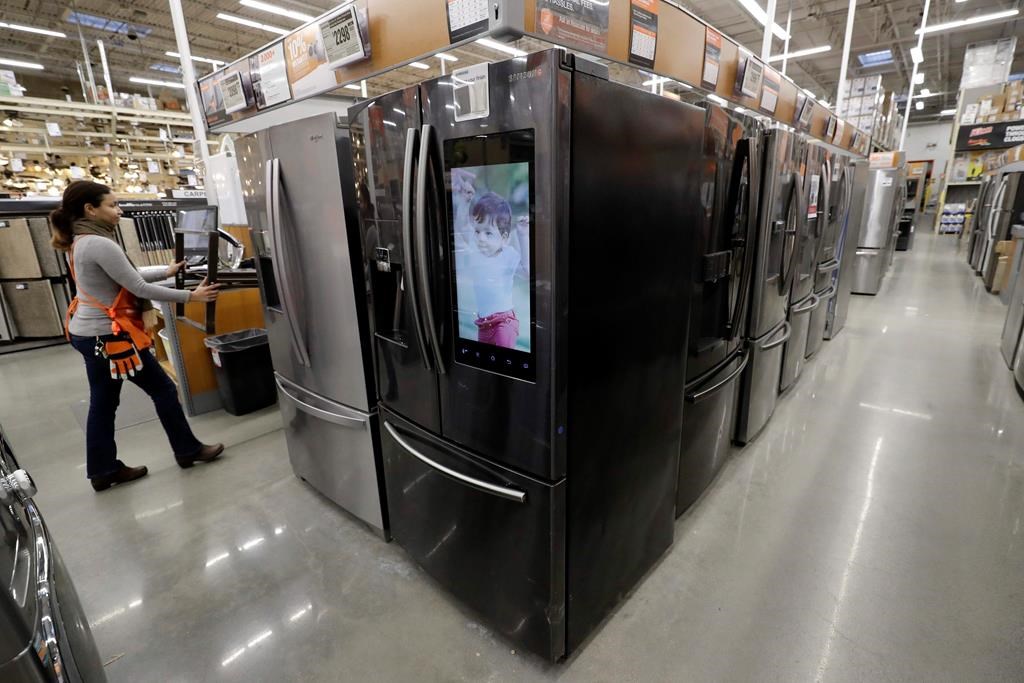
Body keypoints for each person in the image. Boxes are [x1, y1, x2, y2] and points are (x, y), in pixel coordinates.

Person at [51, 181, 224, 492]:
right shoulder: (100, 244)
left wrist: (166, 272)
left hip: (89, 333)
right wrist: (191, 296)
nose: (119, 212)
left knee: (103, 403)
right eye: (112, 205)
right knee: (162, 390)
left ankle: (103, 470)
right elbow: (137, 288)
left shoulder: (81, 240)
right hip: (110, 336)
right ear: (91, 209)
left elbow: (122, 276)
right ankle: (187, 450)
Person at [454, 191, 529, 349]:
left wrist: (523, 235)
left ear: (504, 238)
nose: (481, 238)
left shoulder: (507, 254)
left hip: (504, 323)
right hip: (483, 324)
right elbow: (462, 224)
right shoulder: (476, 247)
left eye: (488, 233)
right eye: (478, 231)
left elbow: (526, 271)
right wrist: (465, 202)